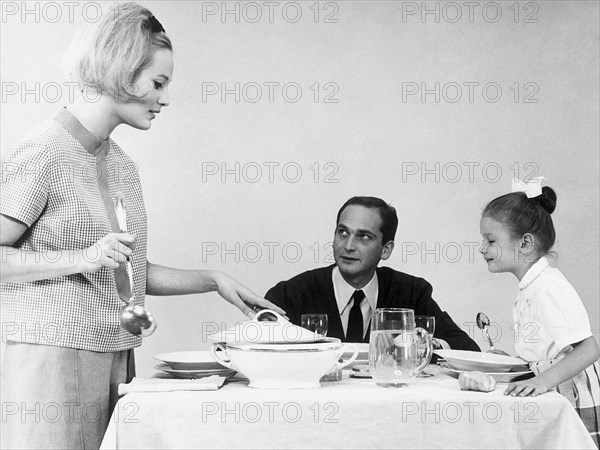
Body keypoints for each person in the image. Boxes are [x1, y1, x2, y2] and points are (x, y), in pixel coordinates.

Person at [0, 4, 284, 449]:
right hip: (51, 355)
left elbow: (128, 270)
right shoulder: (43, 152)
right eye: (158, 82)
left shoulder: (122, 166)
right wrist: (83, 257)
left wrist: (212, 280)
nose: (165, 98)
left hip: (115, 350)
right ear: (121, 71)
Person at [265, 196, 479, 351]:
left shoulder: (411, 292)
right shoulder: (291, 293)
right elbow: (257, 349)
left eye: (364, 237)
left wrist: (426, 343)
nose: (348, 246)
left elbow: (465, 346)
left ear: (386, 249)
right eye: (343, 232)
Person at [479, 179, 600, 446]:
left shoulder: (547, 287)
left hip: (572, 396)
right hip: (555, 392)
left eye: (490, 240)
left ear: (524, 244)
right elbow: (546, 351)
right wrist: (513, 361)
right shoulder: (532, 287)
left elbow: (589, 348)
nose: (482, 249)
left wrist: (542, 381)